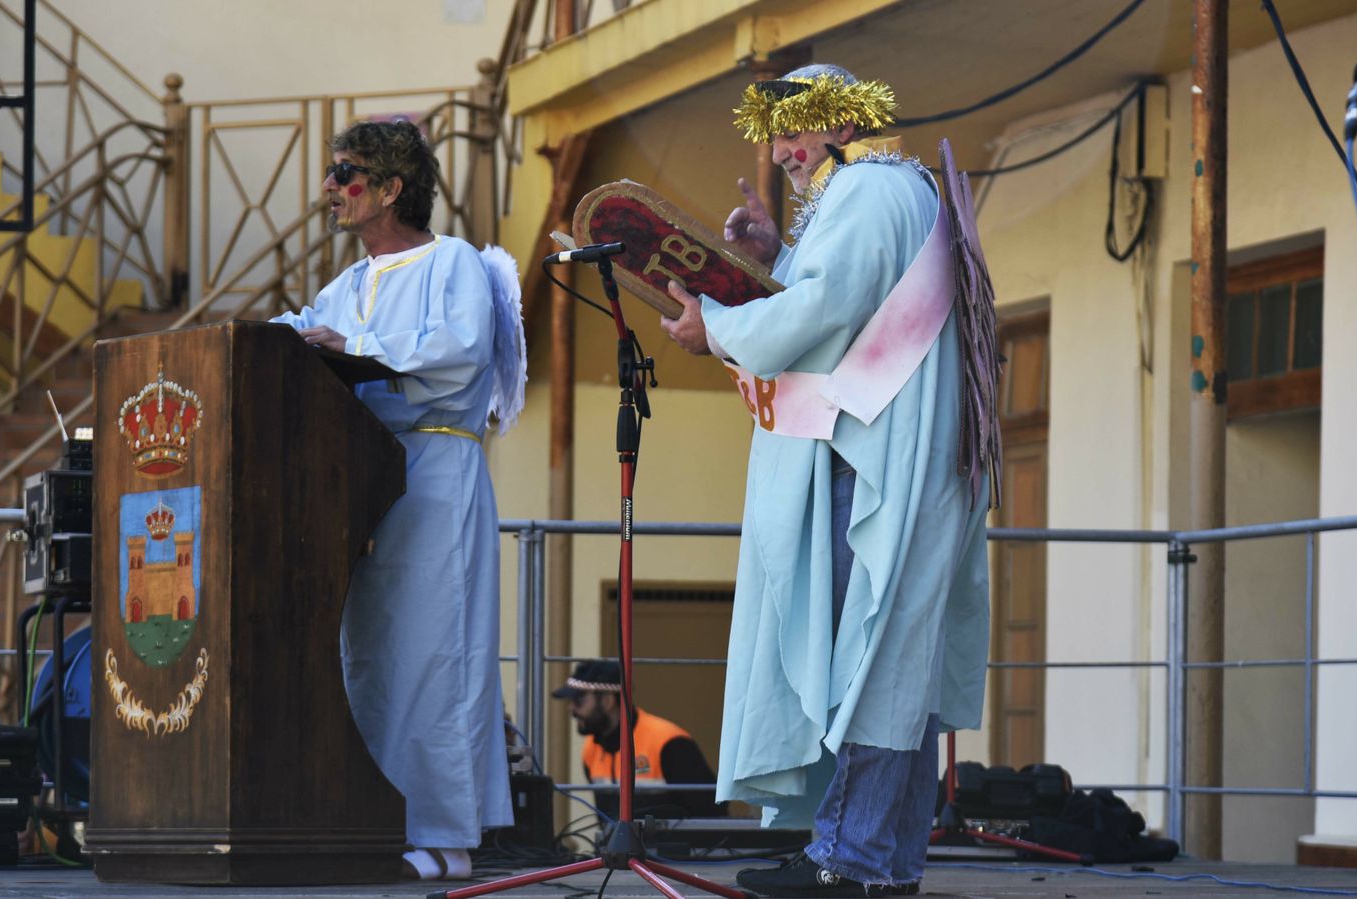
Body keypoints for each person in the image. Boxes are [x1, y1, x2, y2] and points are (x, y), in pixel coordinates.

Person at [658, 64, 992, 897]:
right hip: (891, 452)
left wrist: (719, 326)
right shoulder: (893, 192)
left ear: (843, 121)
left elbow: (822, 312)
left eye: (796, 128)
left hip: (874, 460)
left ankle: (851, 857)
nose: (783, 148)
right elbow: (839, 293)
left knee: (877, 662)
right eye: (777, 133)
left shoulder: (871, 193)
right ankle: (881, 858)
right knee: (892, 664)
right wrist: (777, 254)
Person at [270, 120, 527, 882]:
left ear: (391, 188)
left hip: (436, 471)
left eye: (345, 174)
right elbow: (310, 340)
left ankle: (446, 836)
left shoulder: (454, 263)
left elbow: (460, 352)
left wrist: (350, 350)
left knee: (435, 652)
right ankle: (376, 819)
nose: (329, 191)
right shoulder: (345, 285)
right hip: (360, 480)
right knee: (371, 659)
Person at [552, 659, 723, 819]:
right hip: (617, 850)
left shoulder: (668, 742)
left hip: (670, 850)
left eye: (579, 700)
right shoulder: (591, 749)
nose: (571, 708)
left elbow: (712, 811)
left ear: (607, 701)